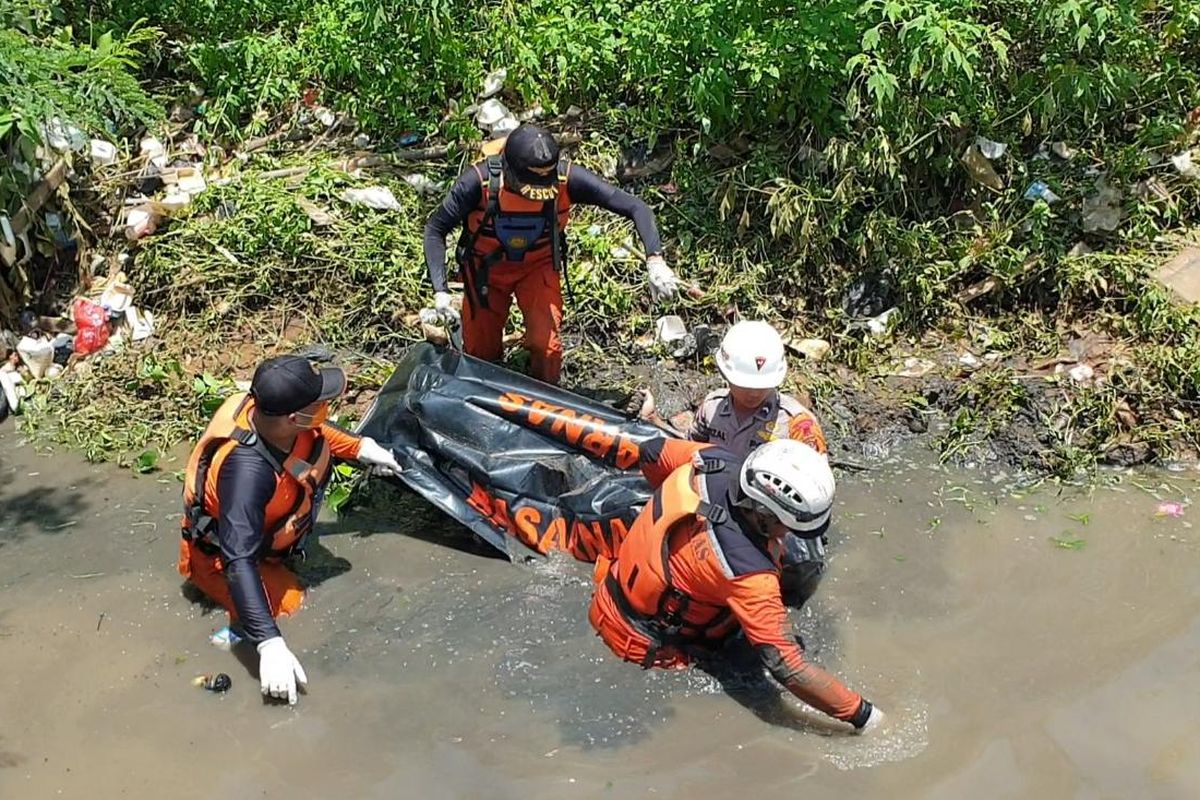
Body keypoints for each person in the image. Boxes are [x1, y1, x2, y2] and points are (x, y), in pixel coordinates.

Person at [589, 436, 884, 733]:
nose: (789, 534)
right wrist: (863, 715)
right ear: (765, 516)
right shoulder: (749, 576)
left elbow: (651, 452)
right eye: (789, 527)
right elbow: (787, 666)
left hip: (612, 589)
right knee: (772, 670)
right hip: (646, 648)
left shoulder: (714, 461)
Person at [177, 354, 403, 705]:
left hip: (266, 538)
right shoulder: (247, 475)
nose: (325, 409)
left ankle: (247, 624)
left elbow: (316, 433)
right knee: (294, 607)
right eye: (319, 405)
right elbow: (238, 560)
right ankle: (226, 638)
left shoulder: (272, 417)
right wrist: (269, 643)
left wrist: (362, 448)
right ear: (294, 416)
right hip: (222, 560)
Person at [423, 122, 683, 384]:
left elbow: (636, 207)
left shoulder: (566, 179)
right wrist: (441, 292)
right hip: (486, 273)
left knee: (546, 346)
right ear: (508, 170)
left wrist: (655, 260)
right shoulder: (477, 182)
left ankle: (547, 400)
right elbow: (435, 228)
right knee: (481, 354)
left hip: (538, 268)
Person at [631, 320, 831, 606]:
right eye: (745, 385)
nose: (752, 393)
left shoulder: (798, 425)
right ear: (725, 374)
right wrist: (653, 421)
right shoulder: (712, 409)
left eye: (761, 386)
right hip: (720, 504)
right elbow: (688, 450)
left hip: (773, 519)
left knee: (801, 564)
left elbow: (816, 491)